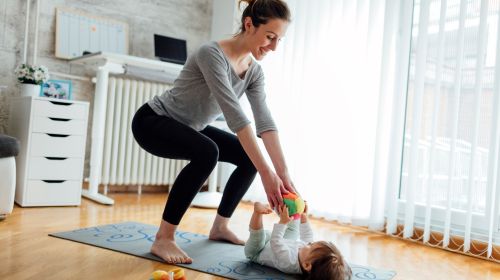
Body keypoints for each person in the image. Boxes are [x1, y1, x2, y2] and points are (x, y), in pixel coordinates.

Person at [131, 0, 295, 264]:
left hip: (190, 126)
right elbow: (235, 115)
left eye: (279, 40)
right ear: (249, 24)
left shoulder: (254, 73)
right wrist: (267, 174)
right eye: (270, 37)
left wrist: (283, 176)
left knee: (246, 156)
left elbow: (264, 122)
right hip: (153, 121)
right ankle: (163, 238)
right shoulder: (211, 54)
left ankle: (220, 226)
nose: (274, 47)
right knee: (208, 151)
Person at [245, 202, 352, 280]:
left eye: (311, 246)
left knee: (258, 237)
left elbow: (275, 242)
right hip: (280, 242)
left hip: (258, 251)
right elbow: (308, 236)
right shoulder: (307, 255)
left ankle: (257, 213)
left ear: (306, 265)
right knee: (294, 230)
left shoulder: (288, 262)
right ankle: (291, 209)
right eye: (312, 243)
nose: (309, 243)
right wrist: (303, 217)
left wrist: (283, 222)